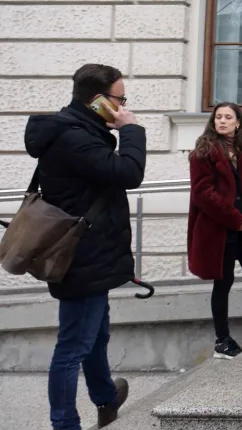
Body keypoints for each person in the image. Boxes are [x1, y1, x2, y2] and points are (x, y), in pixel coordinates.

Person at [23, 64, 145, 429]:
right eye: (119, 99)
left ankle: (105, 397)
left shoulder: (78, 130)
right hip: (81, 257)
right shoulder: (75, 138)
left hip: (90, 253)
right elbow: (128, 173)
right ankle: (65, 423)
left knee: (95, 333)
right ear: (97, 102)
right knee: (72, 346)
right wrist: (133, 130)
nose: (123, 106)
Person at [187, 103, 242, 360]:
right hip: (219, 229)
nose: (222, 121)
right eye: (218, 117)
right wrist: (235, 219)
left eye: (228, 117)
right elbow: (203, 194)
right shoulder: (203, 151)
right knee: (223, 283)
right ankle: (222, 341)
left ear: (238, 123)